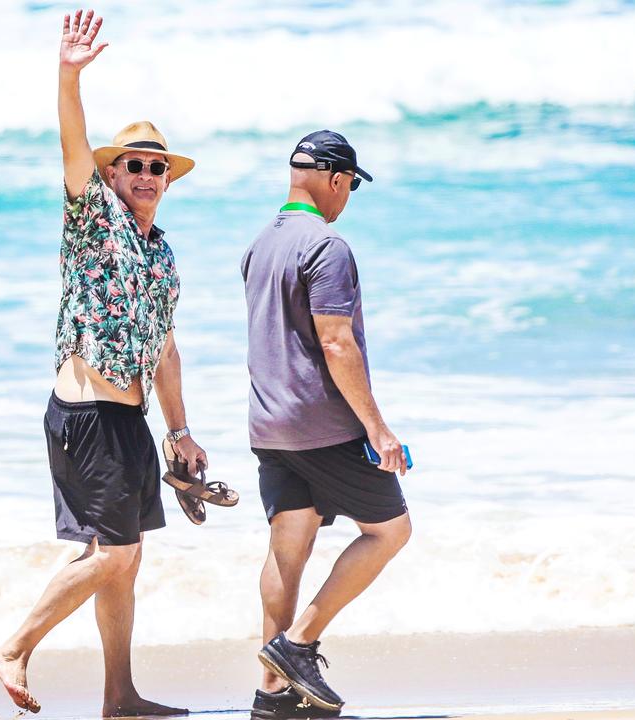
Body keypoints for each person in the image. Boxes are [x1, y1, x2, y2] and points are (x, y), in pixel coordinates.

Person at [0, 10, 210, 717]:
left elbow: (165, 347)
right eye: (134, 165)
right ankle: (13, 647)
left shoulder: (163, 253)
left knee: (126, 559)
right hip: (83, 413)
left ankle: (121, 698)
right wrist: (69, 76)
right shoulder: (92, 216)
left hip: (130, 421)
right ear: (114, 173)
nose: (146, 175)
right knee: (110, 554)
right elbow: (71, 145)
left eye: (156, 168)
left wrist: (180, 433)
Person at [240, 131, 413, 719]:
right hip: (322, 426)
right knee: (390, 531)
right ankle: (298, 644)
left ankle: (272, 695)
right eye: (349, 188)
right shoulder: (328, 245)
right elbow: (336, 342)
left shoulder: (260, 243)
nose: (347, 200)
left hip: (268, 425)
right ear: (336, 179)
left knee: (288, 549)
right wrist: (378, 429)